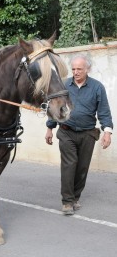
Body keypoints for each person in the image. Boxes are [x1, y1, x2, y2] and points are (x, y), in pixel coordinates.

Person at [45, 55, 113, 216]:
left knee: (82, 167)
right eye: (73, 69)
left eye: (79, 69)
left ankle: (75, 197)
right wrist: (50, 128)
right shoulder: (64, 85)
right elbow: (55, 108)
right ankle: (67, 201)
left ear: (87, 69)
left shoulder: (97, 87)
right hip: (66, 131)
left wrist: (107, 132)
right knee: (69, 164)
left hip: (88, 133)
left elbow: (104, 111)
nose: (75, 72)